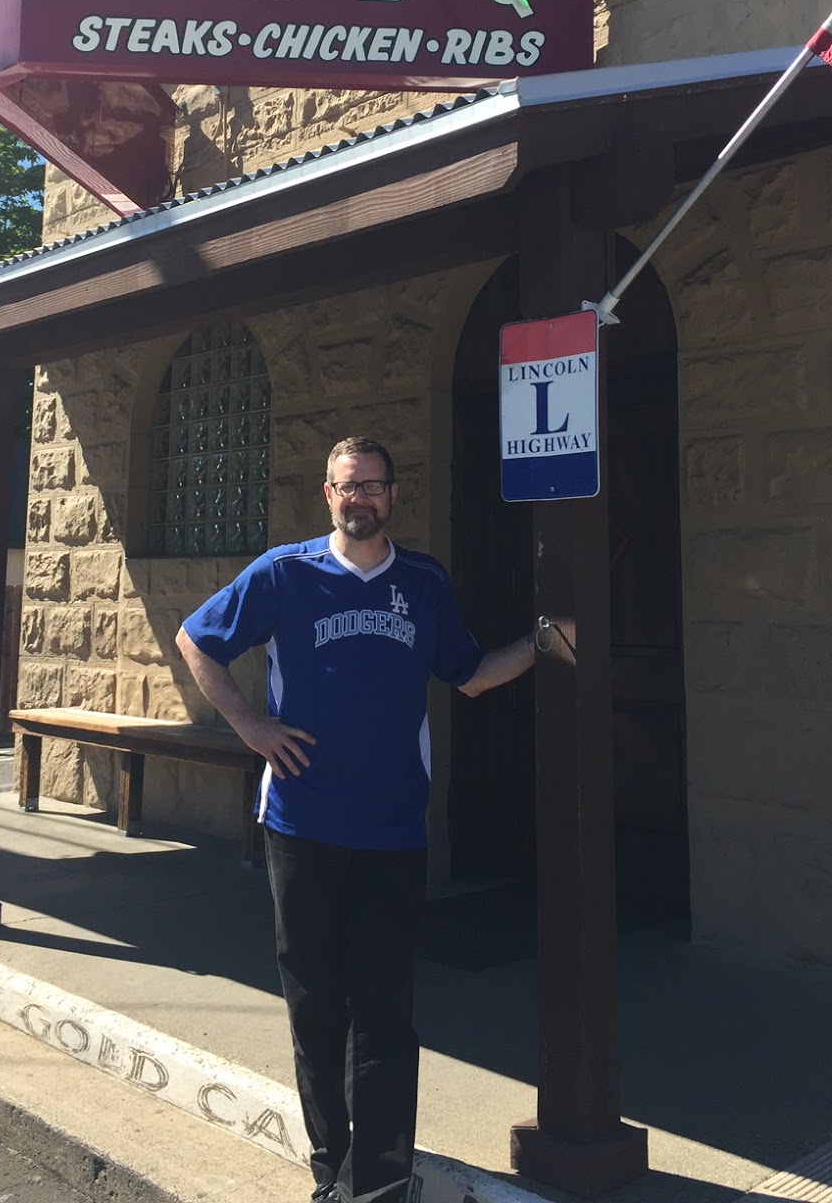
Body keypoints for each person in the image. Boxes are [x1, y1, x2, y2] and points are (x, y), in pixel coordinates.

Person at [175, 435, 536, 1203]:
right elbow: (196, 639)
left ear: (393, 496)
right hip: (301, 824)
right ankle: (329, 1166)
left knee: (386, 1010)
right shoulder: (285, 573)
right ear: (328, 495)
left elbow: (471, 674)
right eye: (347, 486)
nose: (359, 498)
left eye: (372, 486)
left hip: (393, 830)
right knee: (315, 1003)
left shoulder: (424, 583)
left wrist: (544, 643)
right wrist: (248, 724)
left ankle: (379, 1180)